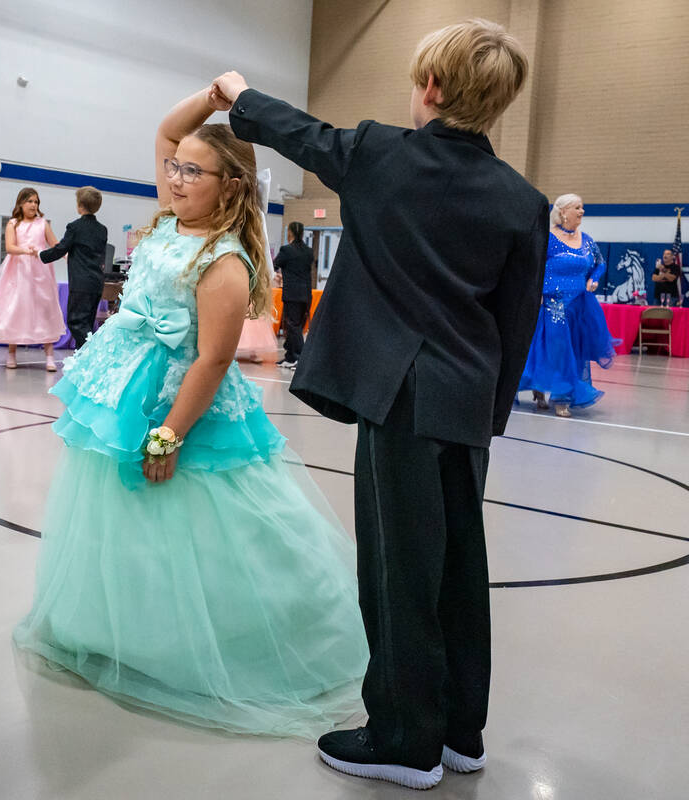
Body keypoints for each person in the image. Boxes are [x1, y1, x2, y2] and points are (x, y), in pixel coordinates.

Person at [213, 17, 547, 790]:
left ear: (429, 88)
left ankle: (403, 736)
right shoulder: (521, 200)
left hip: (399, 397)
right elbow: (515, 320)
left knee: (399, 572)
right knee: (460, 565)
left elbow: (299, 132)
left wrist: (237, 93)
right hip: (464, 401)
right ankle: (460, 728)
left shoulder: (380, 154)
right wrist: (485, 414)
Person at [12, 88, 369, 739]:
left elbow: (210, 359)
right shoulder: (172, 221)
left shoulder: (222, 261)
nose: (175, 177)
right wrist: (209, 100)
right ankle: (124, 629)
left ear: (230, 186)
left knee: (205, 519)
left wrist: (172, 432)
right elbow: (165, 131)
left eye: (191, 171)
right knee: (125, 519)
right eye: (174, 167)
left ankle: (225, 639)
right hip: (124, 385)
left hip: (180, 399)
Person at [517, 194, 617, 416]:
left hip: (579, 306)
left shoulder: (587, 240)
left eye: (582, 208)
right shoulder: (548, 238)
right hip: (552, 304)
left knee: (574, 350)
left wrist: (594, 279)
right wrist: (536, 292)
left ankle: (558, 392)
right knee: (556, 349)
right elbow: (531, 265)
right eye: (577, 207)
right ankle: (556, 395)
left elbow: (600, 263)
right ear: (563, 212)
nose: (582, 211)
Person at [0, 188, 64, 370]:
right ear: (21, 203)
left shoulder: (43, 223)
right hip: (18, 271)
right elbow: (10, 247)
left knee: (44, 310)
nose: (33, 205)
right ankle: (12, 353)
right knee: (15, 309)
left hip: (40, 272)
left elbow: (55, 245)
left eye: (36, 202)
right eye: (30, 201)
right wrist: (25, 251)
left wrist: (68, 254)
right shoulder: (13, 224)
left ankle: (49, 356)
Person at [39, 186, 107, 350]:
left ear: (80, 206)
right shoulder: (102, 229)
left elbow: (61, 248)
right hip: (96, 282)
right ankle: (83, 355)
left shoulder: (75, 227)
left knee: (75, 321)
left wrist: (42, 255)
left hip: (80, 282)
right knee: (88, 322)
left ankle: (89, 353)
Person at [275, 220, 313, 368]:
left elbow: (276, 264)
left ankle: (300, 357)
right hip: (305, 293)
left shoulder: (286, 250)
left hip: (292, 294)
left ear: (289, 232)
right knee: (295, 325)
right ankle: (290, 356)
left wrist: (278, 274)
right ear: (302, 233)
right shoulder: (309, 252)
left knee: (293, 325)